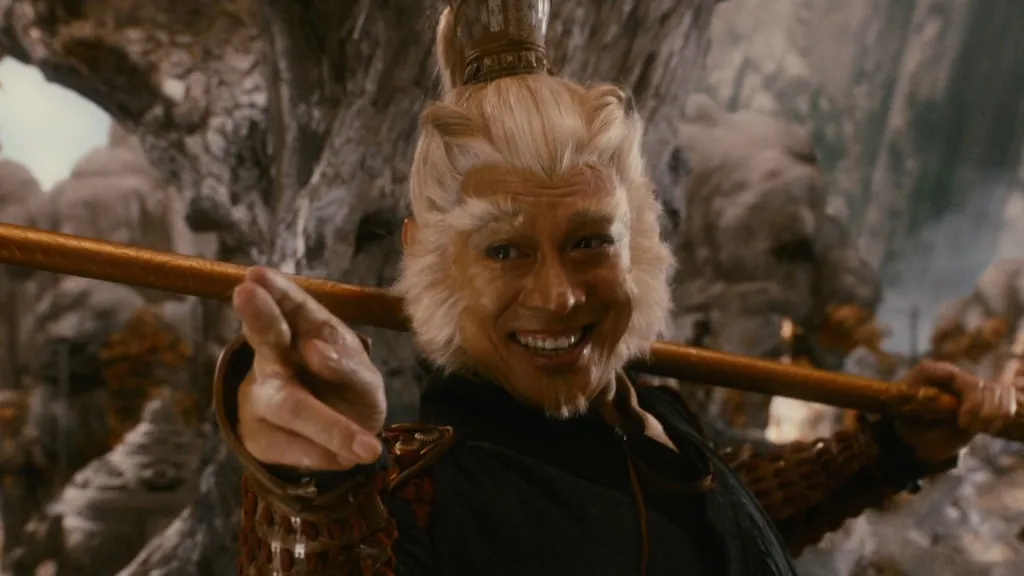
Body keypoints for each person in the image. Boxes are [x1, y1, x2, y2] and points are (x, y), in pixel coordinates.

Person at [214, 1, 1019, 574]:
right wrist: (308, 494)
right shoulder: (415, 498)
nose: (560, 295)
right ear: (427, 258)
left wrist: (889, 449)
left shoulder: (645, 414)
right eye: (505, 251)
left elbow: (718, 525)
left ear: (639, 237)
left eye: (590, 241)